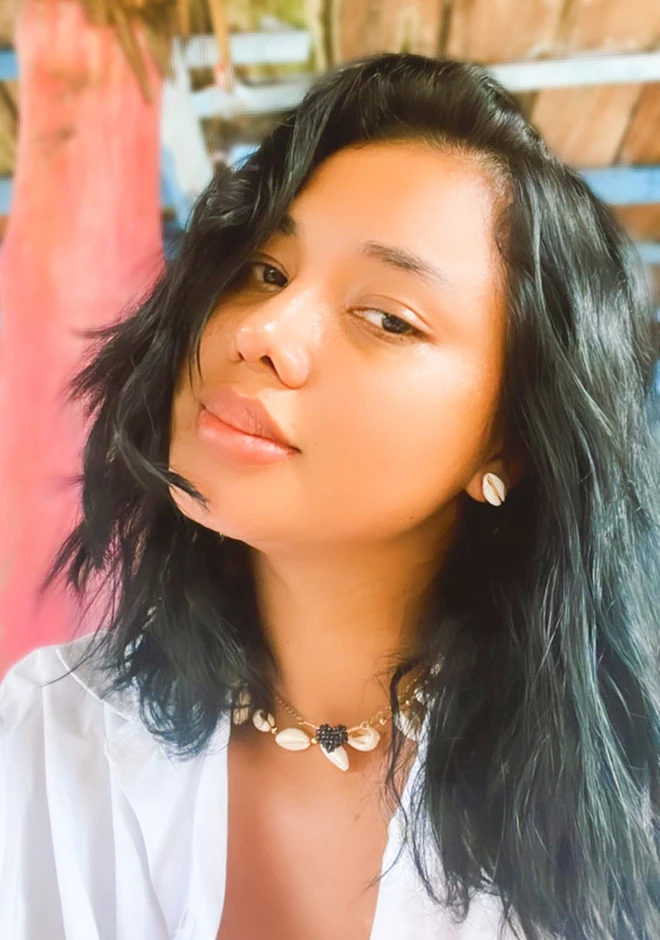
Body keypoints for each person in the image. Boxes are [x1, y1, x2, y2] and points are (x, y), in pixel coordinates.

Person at [1, 52, 659, 940]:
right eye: (265, 271)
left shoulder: (623, 816)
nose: (263, 330)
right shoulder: (46, 740)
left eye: (387, 317)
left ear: (506, 442)